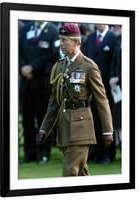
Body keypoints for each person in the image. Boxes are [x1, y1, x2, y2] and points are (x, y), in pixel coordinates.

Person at [36, 23, 113, 176]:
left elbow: (101, 100)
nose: (62, 44)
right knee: (80, 174)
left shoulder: (89, 66)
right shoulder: (59, 66)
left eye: (66, 40)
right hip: (64, 128)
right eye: (60, 40)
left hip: (81, 128)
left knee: (69, 173)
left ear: (77, 42)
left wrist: (107, 130)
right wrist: (44, 128)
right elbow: (54, 102)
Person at [19, 20, 60, 163]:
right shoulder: (25, 28)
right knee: (27, 120)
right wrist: (23, 68)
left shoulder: (53, 30)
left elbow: (53, 55)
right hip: (26, 82)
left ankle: (43, 153)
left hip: (42, 82)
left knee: (43, 120)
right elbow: (17, 51)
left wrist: (32, 68)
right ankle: (29, 153)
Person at [83, 24, 117, 163]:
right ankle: (95, 153)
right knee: (93, 121)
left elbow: (115, 63)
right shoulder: (90, 38)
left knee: (107, 121)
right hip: (90, 88)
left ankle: (108, 154)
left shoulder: (113, 38)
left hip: (107, 88)